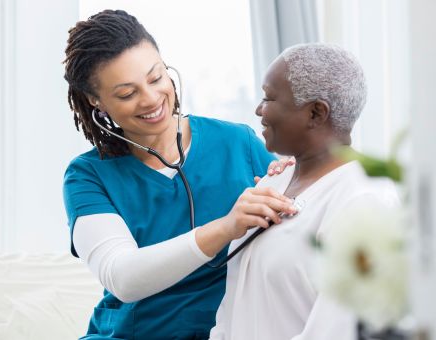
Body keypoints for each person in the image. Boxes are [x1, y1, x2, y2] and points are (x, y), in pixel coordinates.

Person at [62, 9, 296, 339]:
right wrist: (226, 227)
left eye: (156, 77)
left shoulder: (237, 143)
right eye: (127, 93)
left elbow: (298, 236)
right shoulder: (87, 176)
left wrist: (293, 187)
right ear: (96, 101)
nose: (152, 99)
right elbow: (123, 278)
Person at [209, 43, 399, 340]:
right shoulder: (272, 182)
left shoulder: (363, 201)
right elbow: (234, 306)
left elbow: (334, 333)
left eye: (269, 98)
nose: (259, 109)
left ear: (315, 113)